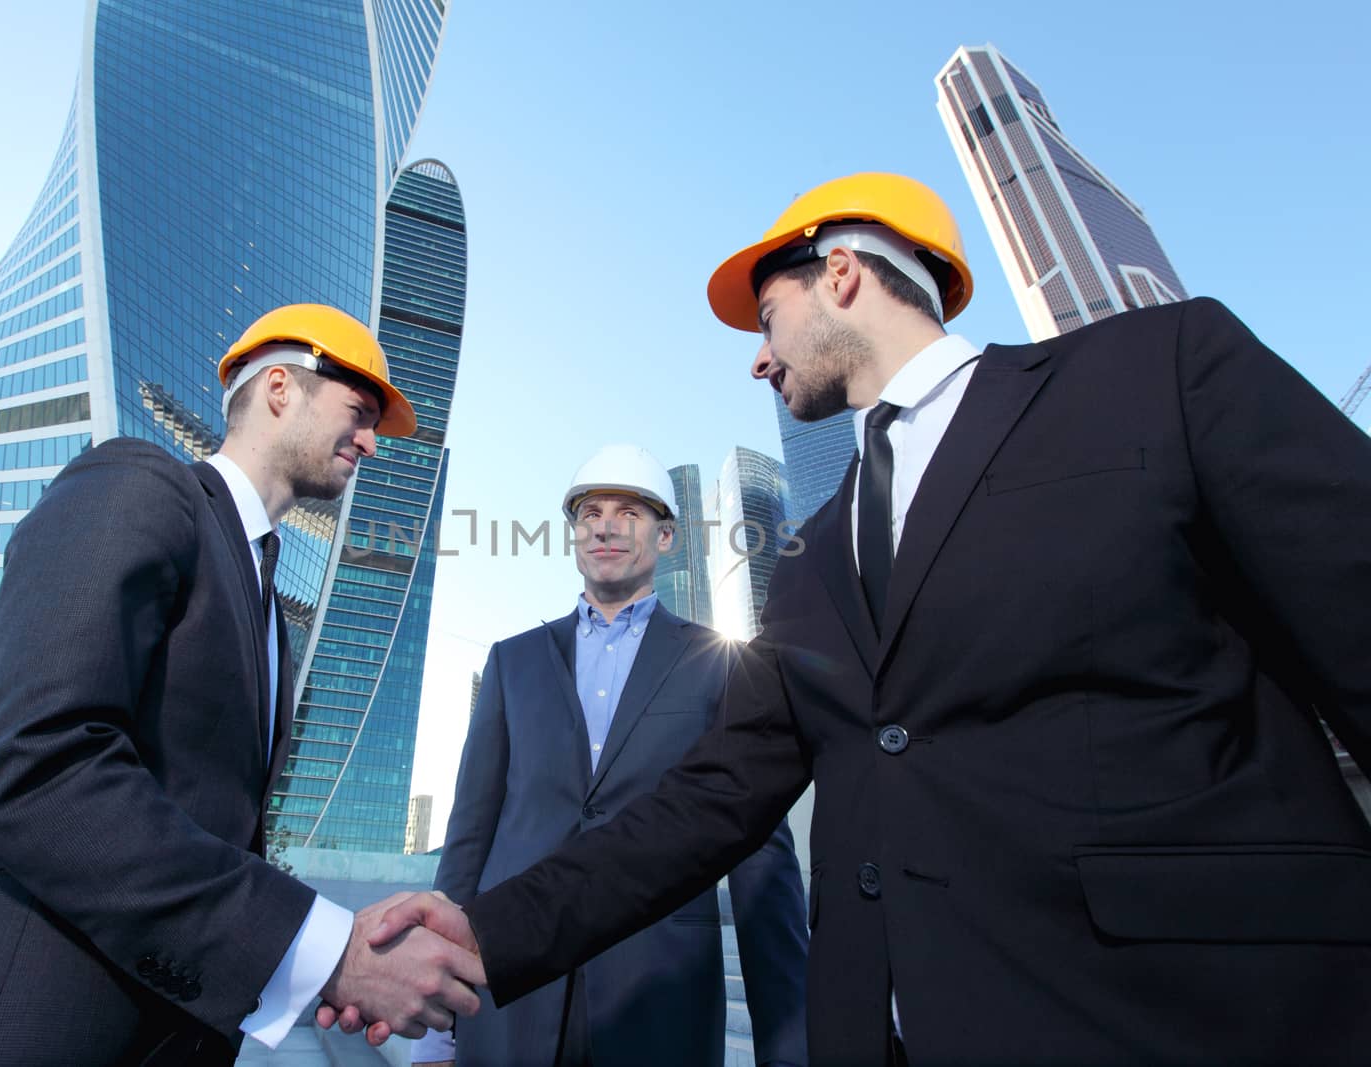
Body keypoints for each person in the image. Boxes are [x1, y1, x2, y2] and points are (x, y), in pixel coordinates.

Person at [357, 174, 1371, 1065]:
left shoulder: (1152, 375)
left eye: (765, 318)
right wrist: (483, 931)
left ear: (840, 274)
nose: (758, 359)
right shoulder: (808, 559)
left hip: (1201, 1015)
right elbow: (710, 798)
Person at [0, 305, 483, 1066]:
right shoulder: (138, 484)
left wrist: (330, 954)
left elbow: (208, 829)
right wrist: (331, 951)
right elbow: (39, 771)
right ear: (278, 388)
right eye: (359, 413)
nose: (369, 441)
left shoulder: (270, 609)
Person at [410, 445, 808, 1067]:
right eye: (590, 512)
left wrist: (788, 1047)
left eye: (629, 511)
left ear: (667, 536)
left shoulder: (723, 665)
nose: (605, 525)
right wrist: (435, 1028)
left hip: (659, 996)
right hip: (509, 997)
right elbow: (469, 839)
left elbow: (760, 855)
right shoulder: (511, 663)